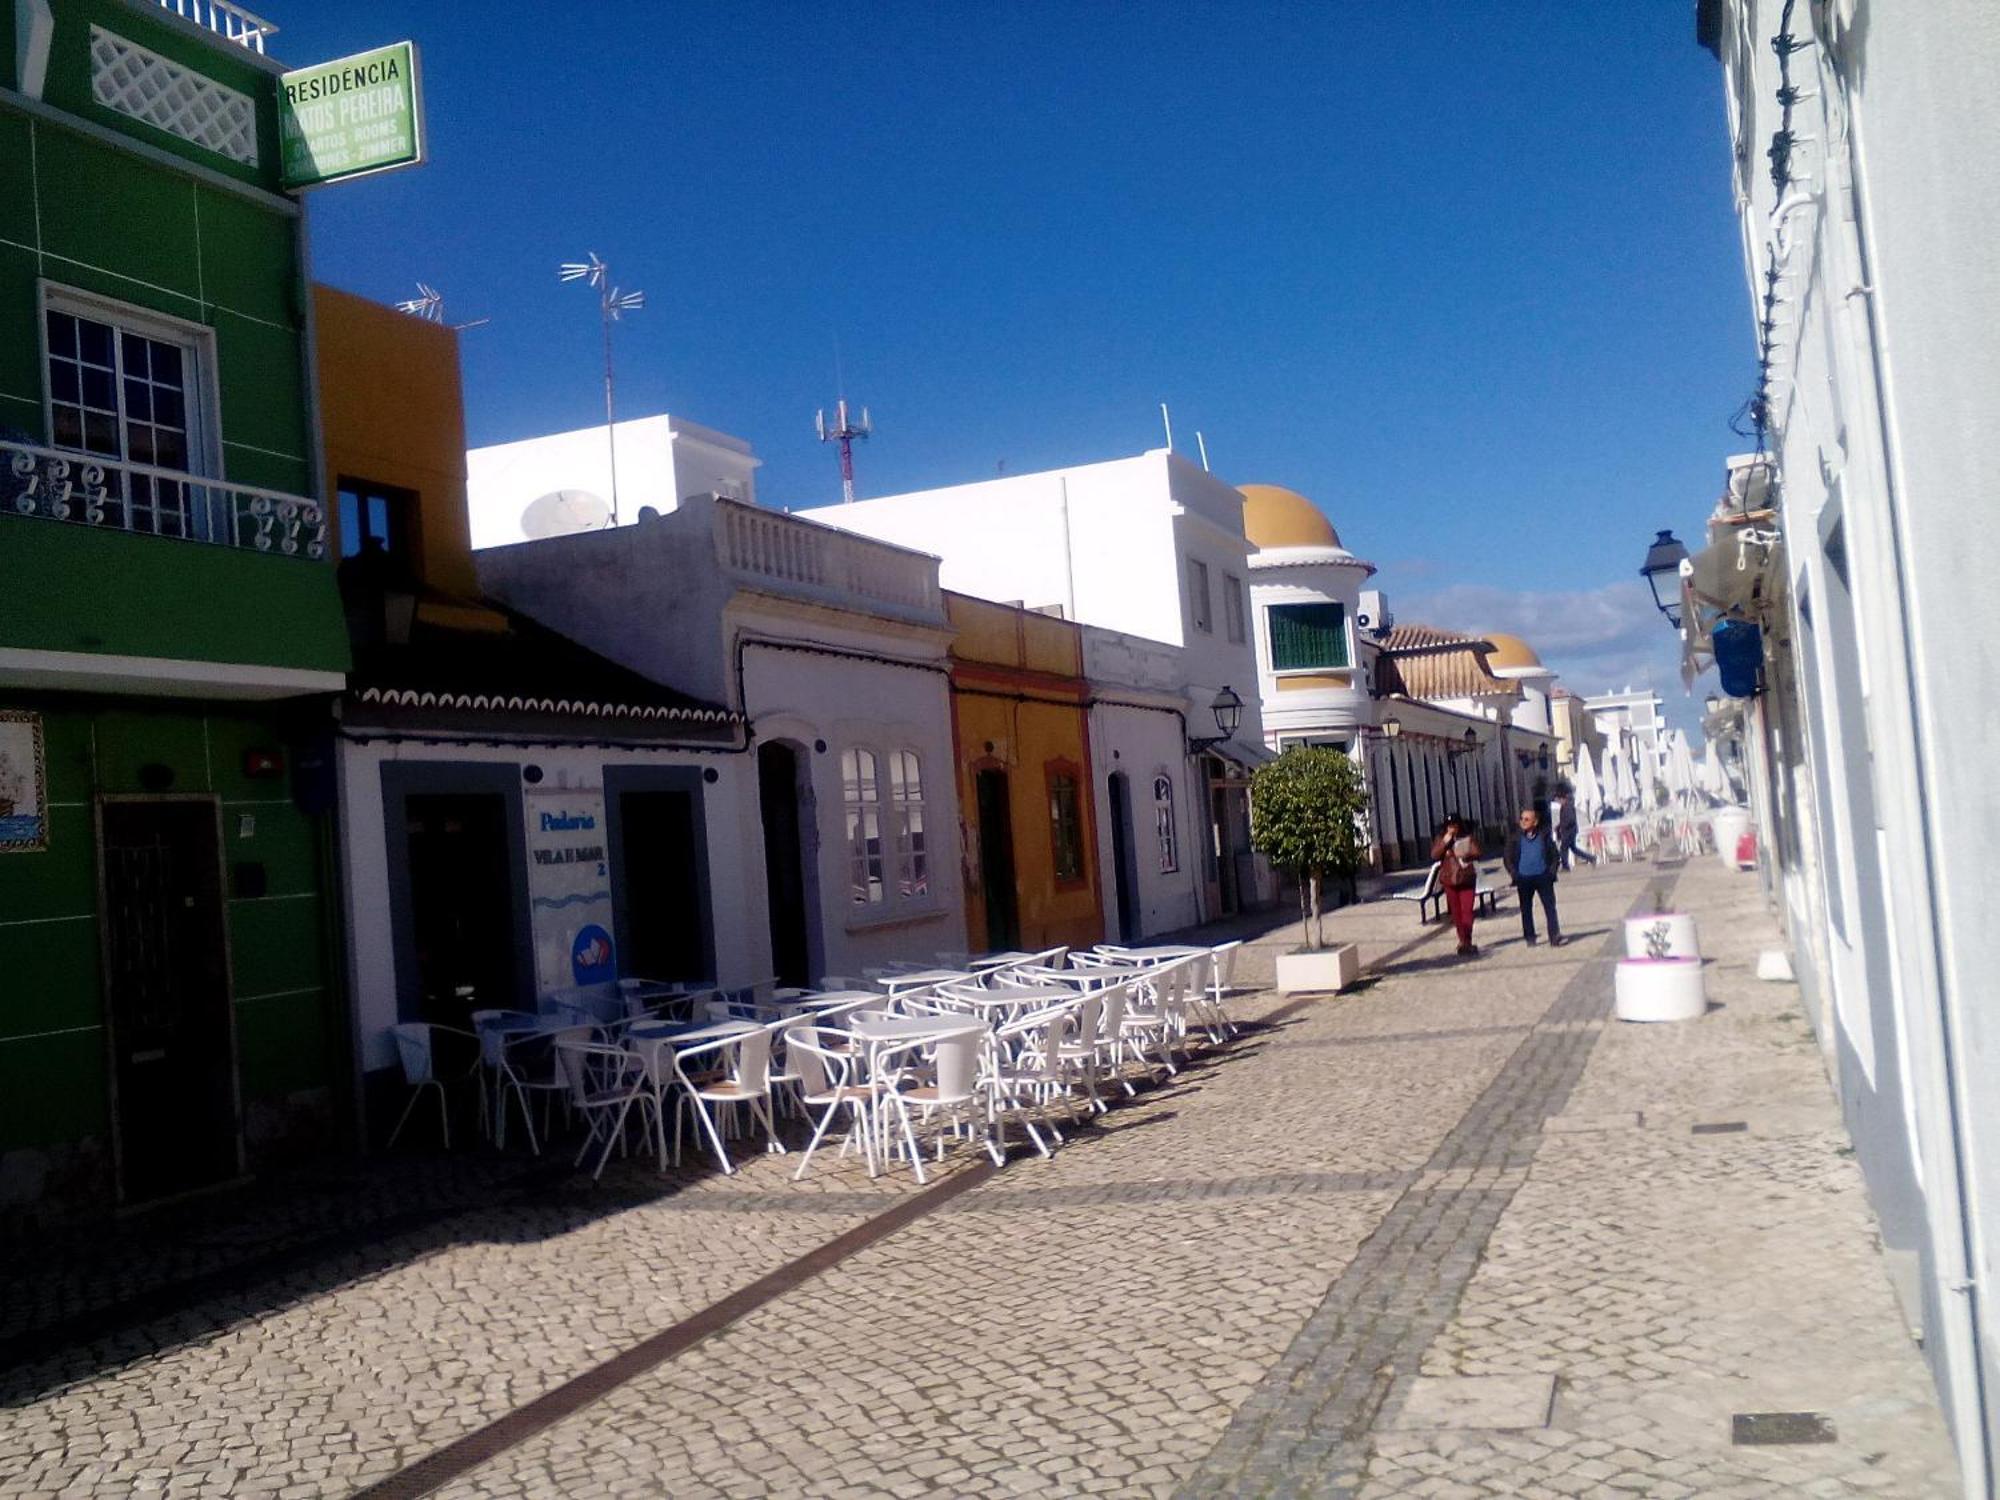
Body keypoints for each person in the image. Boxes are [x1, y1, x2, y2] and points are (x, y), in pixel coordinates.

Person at [1503, 805, 1564, 947]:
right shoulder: (1515, 838)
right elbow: (1507, 857)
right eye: (1521, 819)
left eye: (1526, 819)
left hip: (1543, 877)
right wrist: (1514, 873)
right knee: (1526, 909)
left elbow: (1554, 855)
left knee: (1550, 907)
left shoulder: (1544, 835)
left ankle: (1554, 936)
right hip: (1524, 878)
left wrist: (1551, 872)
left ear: (1535, 822)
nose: (1523, 822)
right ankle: (1530, 937)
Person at [1431, 814, 1483, 957]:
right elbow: (1434, 855)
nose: (1452, 829)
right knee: (1456, 913)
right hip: (1450, 881)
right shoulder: (1441, 839)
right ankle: (1462, 940)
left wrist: (1465, 853)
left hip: (1466, 879)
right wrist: (1444, 843)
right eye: (1449, 826)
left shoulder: (1466, 837)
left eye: (1454, 825)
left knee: (1467, 911)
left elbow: (1478, 852)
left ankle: (1467, 940)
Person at [1551, 787, 1595, 870]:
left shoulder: (1567, 807)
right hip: (1570, 831)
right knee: (1574, 849)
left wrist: (1562, 827)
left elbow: (1569, 820)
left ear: (1562, 799)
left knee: (1563, 848)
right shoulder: (1566, 806)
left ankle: (1565, 866)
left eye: (1557, 800)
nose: (1557, 802)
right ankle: (1591, 858)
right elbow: (1565, 820)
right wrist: (1558, 826)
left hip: (1569, 832)